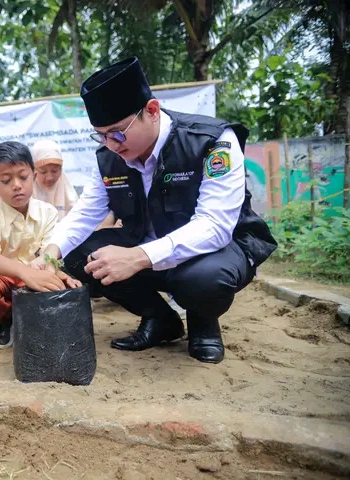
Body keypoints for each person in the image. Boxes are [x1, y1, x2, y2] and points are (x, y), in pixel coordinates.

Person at [38, 57, 277, 364]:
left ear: (151, 111)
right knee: (76, 255)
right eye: (101, 135)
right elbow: (85, 213)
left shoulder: (211, 141)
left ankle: (203, 321)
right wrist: (49, 254)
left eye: (117, 133)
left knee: (204, 279)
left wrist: (137, 257)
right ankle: (161, 319)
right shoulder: (110, 156)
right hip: (147, 244)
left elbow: (215, 225)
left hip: (214, 251)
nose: (111, 145)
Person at [0, 141, 81, 349]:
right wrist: (25, 272)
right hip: (7, 280)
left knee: (66, 283)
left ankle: (30, 320)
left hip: (38, 276)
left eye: (23, 177)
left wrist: (54, 273)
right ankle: (2, 322)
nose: (16, 185)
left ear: (34, 177)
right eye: (6, 181)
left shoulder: (48, 212)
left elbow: (50, 253)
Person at [30, 139, 79, 220]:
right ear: (34, 170)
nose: (49, 177)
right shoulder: (26, 194)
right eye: (43, 172)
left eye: (55, 171)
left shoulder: (68, 193)